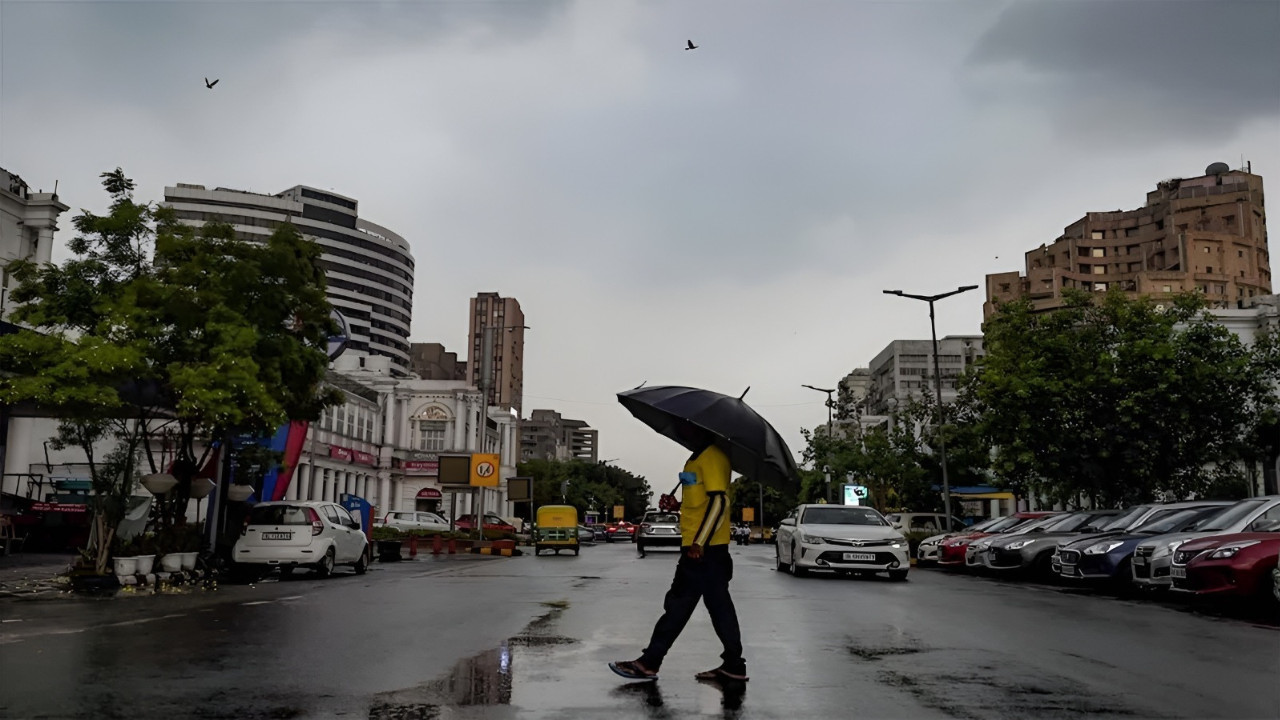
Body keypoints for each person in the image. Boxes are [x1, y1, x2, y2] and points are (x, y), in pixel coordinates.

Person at [609, 441, 747, 683]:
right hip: (703, 551)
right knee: (718, 608)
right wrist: (677, 506)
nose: (682, 429)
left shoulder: (713, 456)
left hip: (704, 552)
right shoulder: (696, 458)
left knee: (678, 606)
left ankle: (650, 662)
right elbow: (702, 503)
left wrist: (700, 542)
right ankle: (734, 664)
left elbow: (719, 502)